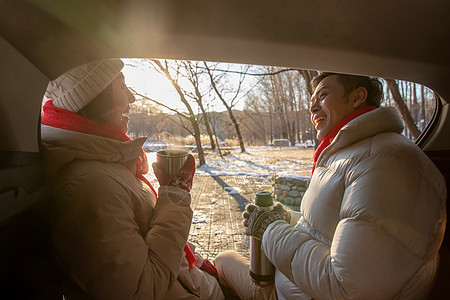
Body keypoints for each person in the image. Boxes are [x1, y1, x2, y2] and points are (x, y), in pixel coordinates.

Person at [214, 72, 447, 299]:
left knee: (220, 264)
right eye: (311, 101)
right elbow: (328, 231)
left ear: (357, 97)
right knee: (224, 260)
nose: (312, 108)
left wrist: (270, 230)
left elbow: (348, 286)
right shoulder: (356, 153)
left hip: (295, 292)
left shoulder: (383, 162)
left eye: (323, 96)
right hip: (296, 285)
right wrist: (285, 219)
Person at [40, 59, 224, 299]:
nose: (132, 98)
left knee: (228, 260)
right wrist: (175, 198)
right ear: (96, 98)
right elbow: (142, 291)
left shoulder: (107, 166)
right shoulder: (88, 188)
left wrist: (195, 260)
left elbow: (149, 242)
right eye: (122, 85)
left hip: (192, 282)